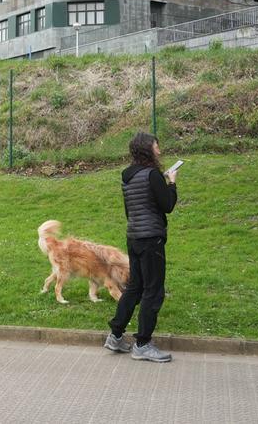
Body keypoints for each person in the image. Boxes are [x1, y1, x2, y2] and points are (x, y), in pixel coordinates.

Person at [104, 132, 179, 363]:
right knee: (153, 291)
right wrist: (172, 182)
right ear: (148, 148)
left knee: (135, 288)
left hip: (134, 237)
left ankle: (115, 336)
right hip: (151, 239)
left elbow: (131, 210)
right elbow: (167, 205)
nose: (160, 148)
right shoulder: (153, 175)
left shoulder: (126, 175)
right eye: (157, 144)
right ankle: (143, 344)